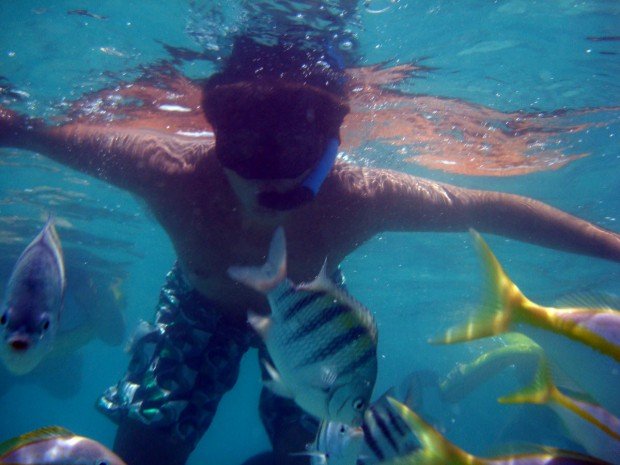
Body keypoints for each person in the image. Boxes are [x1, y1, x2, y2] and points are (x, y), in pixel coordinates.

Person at [1, 36, 620, 465]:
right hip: (199, 309)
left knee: (317, 451)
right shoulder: (167, 171)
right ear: (215, 138)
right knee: (143, 450)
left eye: (292, 154)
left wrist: (610, 247)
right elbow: (42, 135)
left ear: (327, 146)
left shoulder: (357, 195)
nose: (269, 179)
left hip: (311, 321)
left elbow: (489, 209)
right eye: (245, 151)